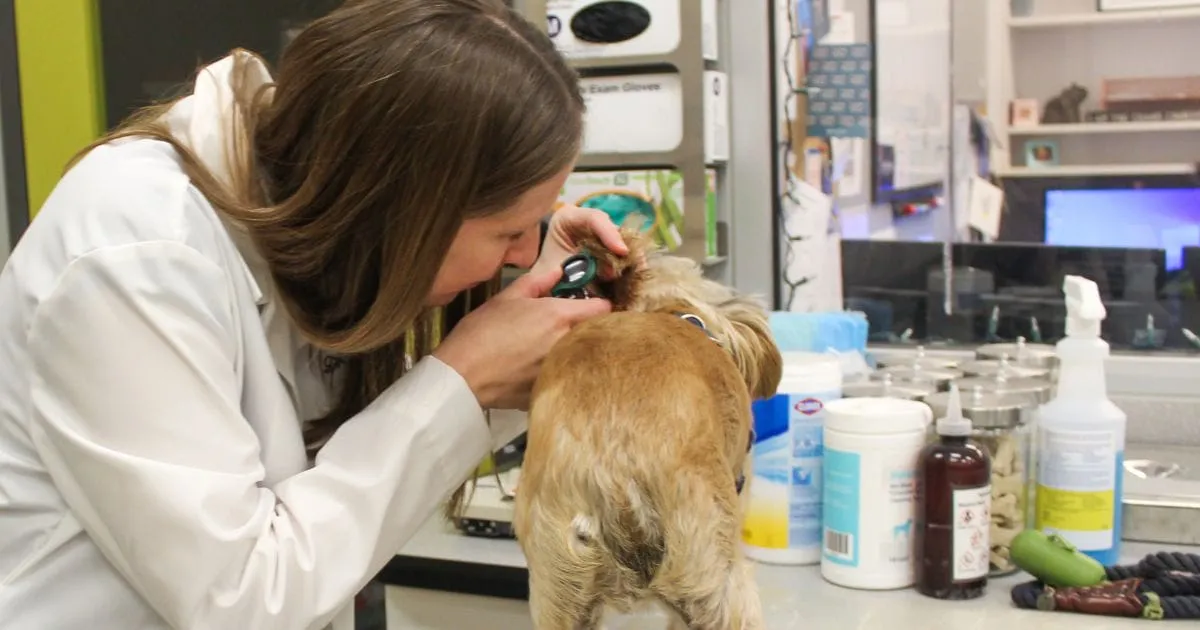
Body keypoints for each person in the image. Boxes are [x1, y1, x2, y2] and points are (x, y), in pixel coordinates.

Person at [0, 1, 629, 628]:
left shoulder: (303, 224)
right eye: (509, 232)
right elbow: (244, 600)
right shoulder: (135, 254)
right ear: (402, 205)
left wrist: (509, 333)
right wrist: (465, 382)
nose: (522, 253)